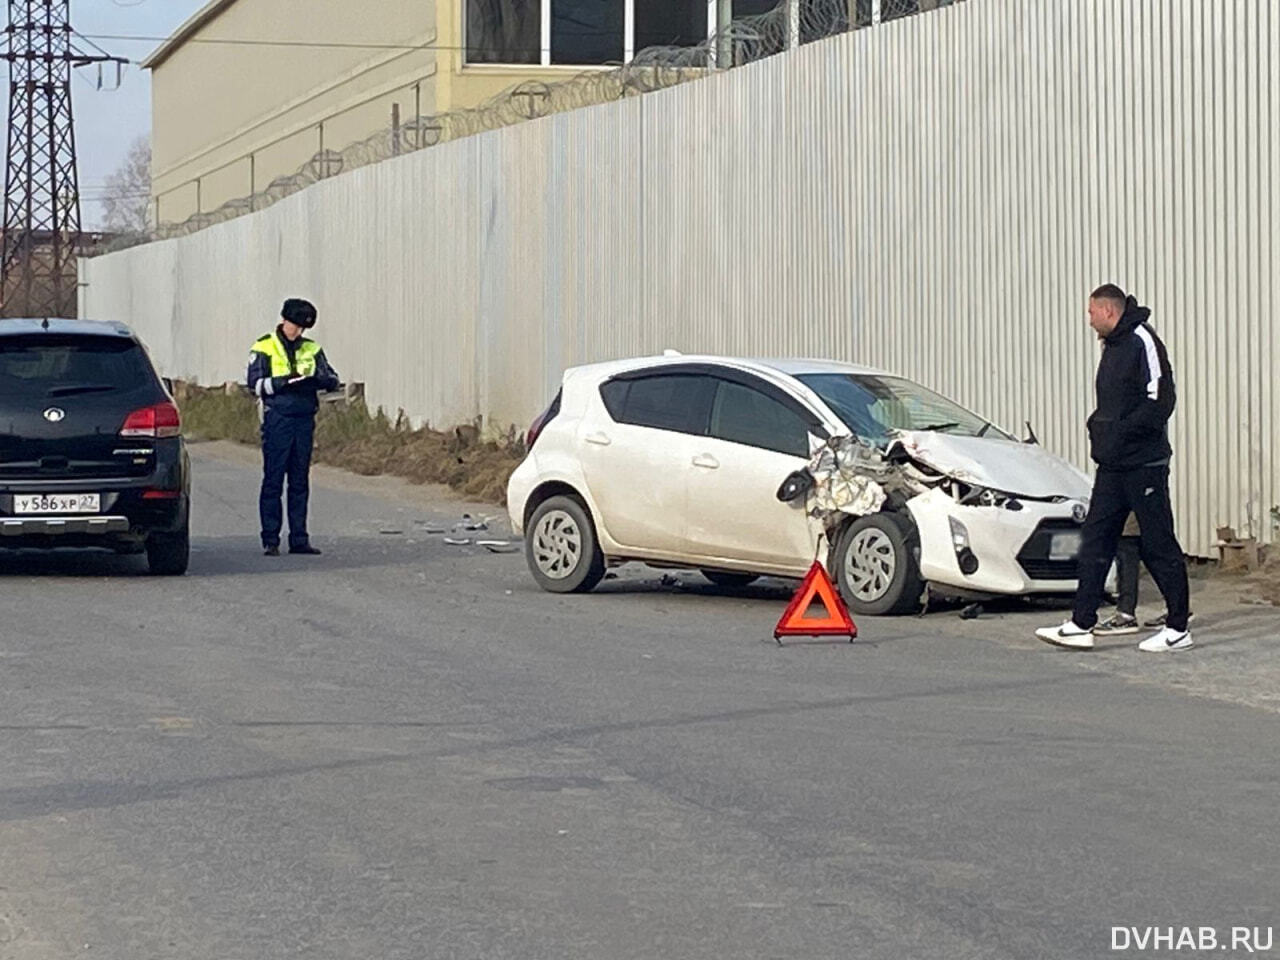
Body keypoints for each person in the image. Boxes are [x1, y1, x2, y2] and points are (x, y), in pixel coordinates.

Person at [1036, 285, 1192, 652]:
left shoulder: (1142, 340)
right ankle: (1080, 623)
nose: (1089, 320)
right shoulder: (1112, 346)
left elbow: (1161, 399)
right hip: (1112, 465)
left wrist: (1123, 432)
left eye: (1091, 313)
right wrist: (1100, 429)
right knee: (1096, 538)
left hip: (1144, 463)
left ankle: (1178, 627)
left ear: (1108, 311)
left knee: (1157, 543)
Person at [246, 298, 341, 557]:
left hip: (304, 419)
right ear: (284, 320)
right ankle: (271, 539)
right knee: (274, 481)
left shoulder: (311, 348)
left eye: (303, 328)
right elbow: (253, 384)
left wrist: (319, 381)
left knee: (300, 482)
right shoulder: (264, 346)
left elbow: (333, 378)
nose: (298, 332)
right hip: (278, 418)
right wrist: (281, 383)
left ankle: (299, 538)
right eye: (295, 326)